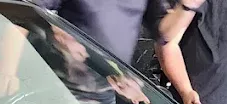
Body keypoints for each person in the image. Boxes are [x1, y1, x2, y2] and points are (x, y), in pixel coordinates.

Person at [30, 0, 163, 65]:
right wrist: (9, 73)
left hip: (111, 89)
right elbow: (25, 9)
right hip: (63, 80)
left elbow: (163, 35)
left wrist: (184, 8)